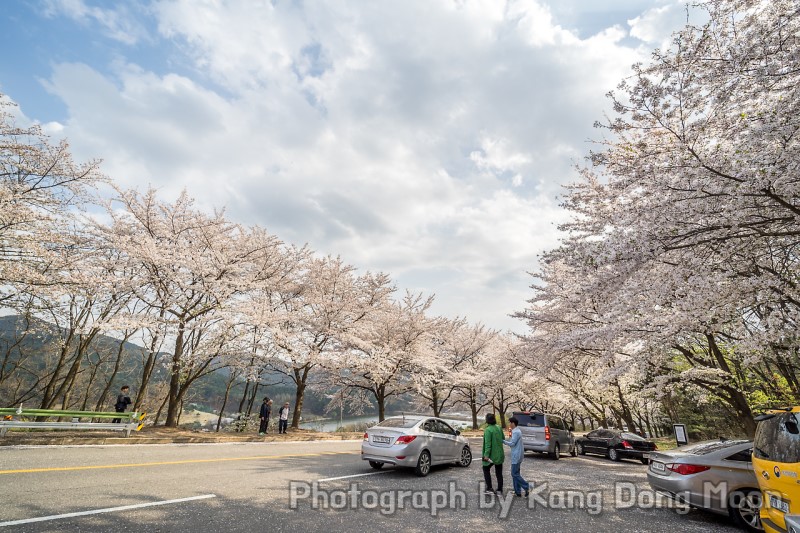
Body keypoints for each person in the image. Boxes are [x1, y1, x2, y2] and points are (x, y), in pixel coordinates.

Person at [503, 416, 530, 497]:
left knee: (514, 473)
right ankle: (517, 491)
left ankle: (526, 486)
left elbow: (512, 443)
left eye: (510, 422)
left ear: (513, 423)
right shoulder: (517, 430)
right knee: (516, 473)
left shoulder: (516, 432)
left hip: (516, 455)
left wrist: (502, 441)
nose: (509, 424)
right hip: (518, 454)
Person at [481, 413, 505, 494]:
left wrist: (486, 456)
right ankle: (500, 489)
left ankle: (489, 488)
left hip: (492, 455)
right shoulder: (499, 427)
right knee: (499, 471)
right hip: (500, 454)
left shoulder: (488, 430)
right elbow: (503, 438)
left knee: (485, 468)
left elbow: (488, 445)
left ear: (487, 420)